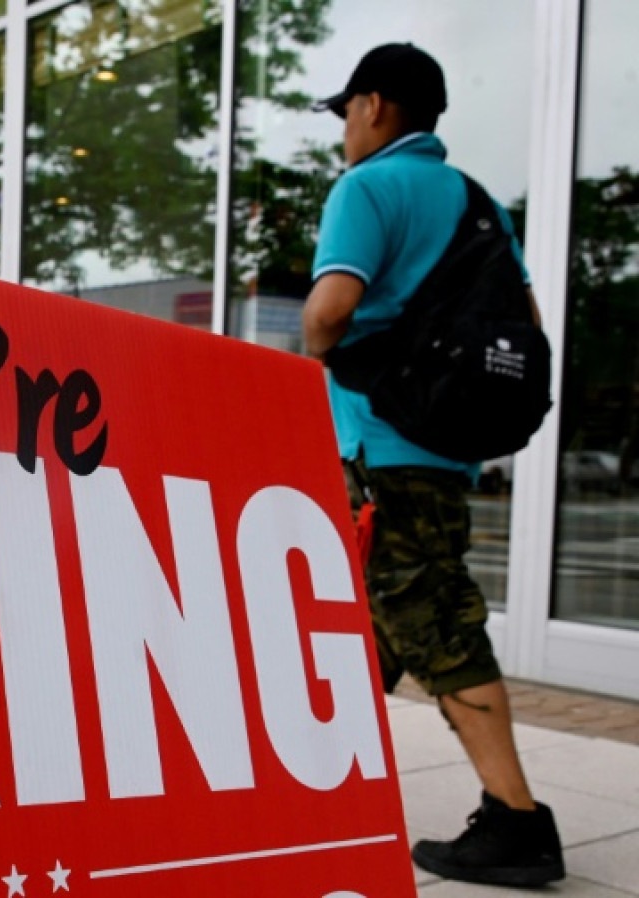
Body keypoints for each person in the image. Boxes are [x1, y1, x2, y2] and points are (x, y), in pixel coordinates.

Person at [302, 43, 565, 888]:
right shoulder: (474, 201)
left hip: (384, 454)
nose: (345, 128)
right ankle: (324, 784)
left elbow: (328, 315)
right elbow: (521, 318)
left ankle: (517, 821)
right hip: (444, 453)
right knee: (371, 622)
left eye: (347, 110)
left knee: (438, 626)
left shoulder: (366, 188)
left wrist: (315, 352)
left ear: (374, 106)